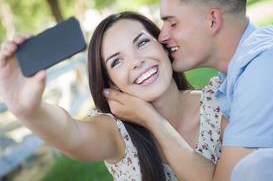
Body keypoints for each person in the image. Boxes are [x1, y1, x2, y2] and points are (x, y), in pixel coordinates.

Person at [104, 0, 273, 180]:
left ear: (212, 20)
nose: (162, 36)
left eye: (172, 23)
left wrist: (151, 118)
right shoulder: (242, 71)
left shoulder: (266, 71)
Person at [0, 11, 227, 181]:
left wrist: (151, 119)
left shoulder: (219, 102)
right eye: (117, 61)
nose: (137, 62)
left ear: (164, 46)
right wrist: (29, 110)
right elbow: (71, 134)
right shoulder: (116, 133)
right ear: (110, 82)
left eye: (142, 42)